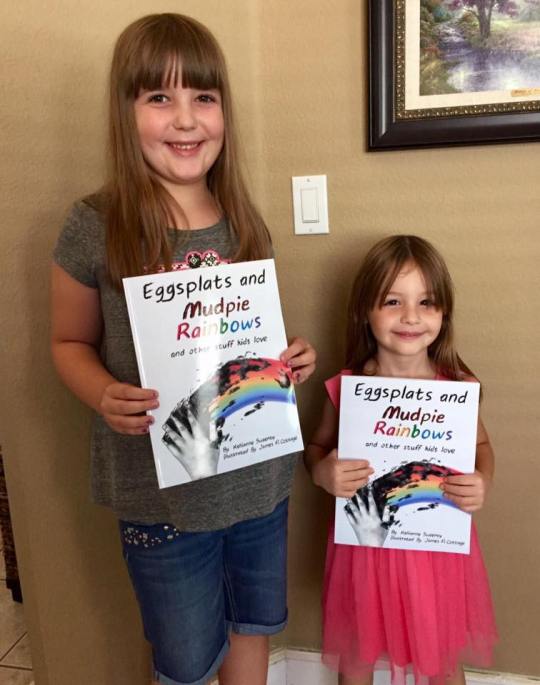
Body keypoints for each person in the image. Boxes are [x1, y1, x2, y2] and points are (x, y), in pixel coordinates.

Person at [50, 13, 315, 685]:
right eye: (159, 97)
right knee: (185, 658)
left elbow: (251, 341)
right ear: (125, 111)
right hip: (162, 500)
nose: (186, 119)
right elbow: (68, 340)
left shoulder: (245, 222)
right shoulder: (95, 225)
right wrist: (102, 393)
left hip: (256, 482)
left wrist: (290, 361)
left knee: (254, 625)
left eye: (203, 96)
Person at [304, 235, 497, 685]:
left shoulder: (457, 388)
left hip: (437, 550)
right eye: (393, 301)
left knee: (440, 657)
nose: (411, 316)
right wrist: (322, 472)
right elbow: (315, 449)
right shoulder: (346, 387)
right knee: (357, 654)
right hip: (364, 549)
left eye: (426, 302)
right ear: (364, 311)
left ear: (443, 313)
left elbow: (482, 448)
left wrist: (482, 480)